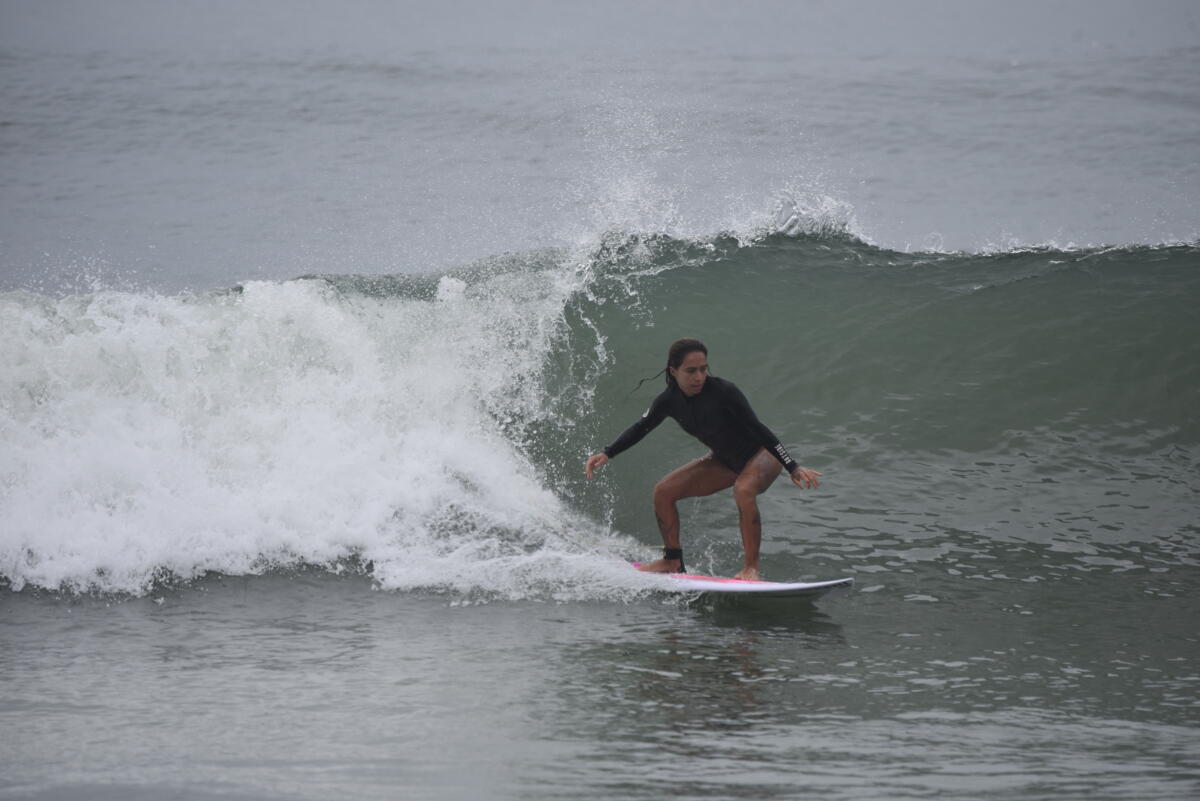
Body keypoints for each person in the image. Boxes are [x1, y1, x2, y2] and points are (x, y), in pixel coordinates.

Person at [584, 338, 822, 580]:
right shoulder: (668, 401)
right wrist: (608, 452)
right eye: (691, 371)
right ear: (673, 371)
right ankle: (672, 561)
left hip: (762, 455)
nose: (699, 376)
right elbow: (641, 427)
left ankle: (751, 568)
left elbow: (758, 428)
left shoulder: (724, 391)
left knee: (743, 489)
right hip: (725, 461)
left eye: (703, 369)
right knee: (663, 492)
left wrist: (791, 465)